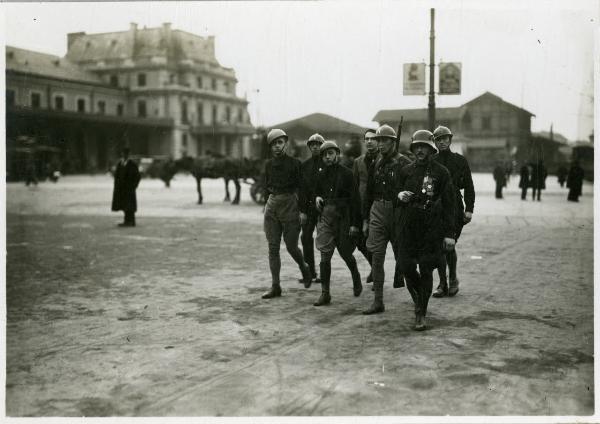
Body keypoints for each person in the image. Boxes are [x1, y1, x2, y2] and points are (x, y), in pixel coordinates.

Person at [396, 130, 456, 331]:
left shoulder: (441, 173)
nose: (420, 150)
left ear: (431, 149)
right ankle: (419, 298)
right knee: (405, 266)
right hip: (409, 224)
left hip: (432, 226)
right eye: (416, 147)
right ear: (412, 149)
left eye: (424, 147)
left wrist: (449, 234)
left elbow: (450, 205)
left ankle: (421, 311)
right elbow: (396, 194)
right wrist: (400, 195)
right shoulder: (406, 171)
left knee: (426, 268)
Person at [362, 124, 412, 315]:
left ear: (393, 142)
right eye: (378, 140)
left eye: (384, 141)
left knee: (404, 260)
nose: (380, 144)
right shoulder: (376, 162)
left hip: (397, 212)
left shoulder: (404, 163)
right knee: (376, 257)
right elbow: (368, 193)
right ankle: (378, 301)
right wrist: (365, 219)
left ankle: (418, 301)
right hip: (378, 210)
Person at [261, 129, 312, 299]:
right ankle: (276, 286)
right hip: (272, 206)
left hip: (290, 205)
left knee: (291, 246)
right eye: (273, 144)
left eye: (279, 143)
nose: (277, 147)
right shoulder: (268, 165)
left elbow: (304, 189)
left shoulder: (295, 164)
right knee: (273, 247)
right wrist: (266, 205)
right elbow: (265, 187)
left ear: (286, 143)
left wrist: (303, 211)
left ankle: (304, 267)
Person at [311, 140, 363, 306]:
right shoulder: (319, 175)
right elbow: (316, 192)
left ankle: (355, 275)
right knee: (325, 254)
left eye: (331, 153)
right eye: (325, 155)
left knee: (345, 252)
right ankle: (325, 293)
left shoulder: (347, 174)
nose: (328, 157)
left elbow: (355, 200)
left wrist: (355, 224)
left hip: (343, 217)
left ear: (337, 154)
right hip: (326, 216)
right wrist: (317, 197)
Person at [431, 126, 474, 298]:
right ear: (434, 142)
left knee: (449, 245)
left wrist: (470, 209)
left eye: (445, 138)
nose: (441, 142)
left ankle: (453, 278)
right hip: (436, 207)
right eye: (438, 139)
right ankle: (442, 282)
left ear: (450, 140)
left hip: (455, 207)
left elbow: (469, 186)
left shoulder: (460, 161)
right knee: (439, 246)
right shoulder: (431, 160)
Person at [352, 129, 379, 284]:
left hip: (378, 205)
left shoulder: (385, 160)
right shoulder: (358, 162)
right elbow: (354, 187)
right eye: (367, 139)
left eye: (373, 139)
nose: (369, 141)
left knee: (376, 243)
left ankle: (377, 276)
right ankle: (374, 268)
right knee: (360, 242)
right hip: (363, 207)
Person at [299, 133, 325, 285]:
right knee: (305, 237)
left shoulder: (327, 164)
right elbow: (302, 190)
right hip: (309, 209)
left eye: (318, 144)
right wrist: (302, 211)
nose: (315, 146)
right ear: (309, 147)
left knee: (323, 239)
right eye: (312, 144)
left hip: (323, 208)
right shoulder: (305, 166)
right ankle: (310, 272)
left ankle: (323, 273)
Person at [111, 147, 141, 227]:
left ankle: (132, 221)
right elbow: (116, 176)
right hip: (121, 189)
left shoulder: (132, 164)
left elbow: (137, 176)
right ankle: (126, 221)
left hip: (129, 189)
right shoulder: (120, 163)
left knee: (130, 206)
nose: (124, 155)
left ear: (128, 154)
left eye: (126, 154)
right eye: (123, 153)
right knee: (124, 205)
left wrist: (134, 186)